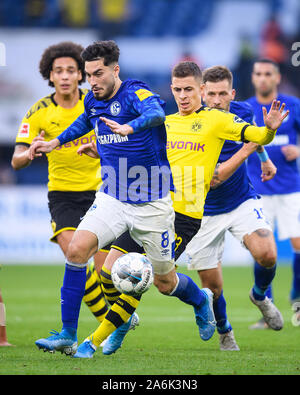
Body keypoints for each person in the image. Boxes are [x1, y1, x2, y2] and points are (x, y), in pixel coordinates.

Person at [72, 60, 288, 358]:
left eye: (189, 89)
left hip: (184, 218)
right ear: (171, 90)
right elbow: (134, 151)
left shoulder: (217, 120)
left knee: (155, 281)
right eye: (177, 90)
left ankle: (95, 340)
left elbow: (257, 137)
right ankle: (122, 324)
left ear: (201, 89)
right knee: (109, 272)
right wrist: (100, 149)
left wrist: (270, 131)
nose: (183, 95)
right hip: (150, 206)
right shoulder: (164, 123)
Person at [28, 41, 217, 357]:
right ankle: (67, 334)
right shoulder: (93, 99)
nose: (93, 82)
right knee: (77, 250)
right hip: (113, 197)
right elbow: (85, 122)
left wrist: (131, 126)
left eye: (98, 73)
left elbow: (157, 113)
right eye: (88, 75)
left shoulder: (135, 92)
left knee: (165, 281)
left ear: (115, 70)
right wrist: (55, 142)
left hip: (153, 205)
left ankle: (200, 299)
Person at [11, 42, 109, 328]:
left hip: (100, 194)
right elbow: (17, 159)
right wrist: (28, 153)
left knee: (105, 273)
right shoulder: (38, 112)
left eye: (71, 70)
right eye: (58, 71)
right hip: (62, 195)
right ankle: (109, 322)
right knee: (74, 256)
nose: (65, 76)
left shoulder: (96, 103)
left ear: (81, 74)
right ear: (49, 76)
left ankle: (112, 315)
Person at [185, 65, 282, 351]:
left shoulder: (243, 111)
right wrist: (254, 150)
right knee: (213, 288)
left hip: (240, 200)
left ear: (232, 94)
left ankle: (260, 295)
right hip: (201, 211)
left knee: (267, 254)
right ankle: (225, 330)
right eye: (211, 94)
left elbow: (250, 136)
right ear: (202, 92)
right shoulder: (189, 123)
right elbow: (214, 178)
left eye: (222, 94)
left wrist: (264, 156)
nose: (215, 100)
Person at [246, 58, 300, 329]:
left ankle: (298, 301)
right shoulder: (246, 109)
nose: (263, 78)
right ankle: (267, 311)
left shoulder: (293, 106)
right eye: (259, 73)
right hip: (258, 193)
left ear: (277, 78)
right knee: (262, 253)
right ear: (253, 78)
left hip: (291, 189)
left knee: (299, 245)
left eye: (268, 73)